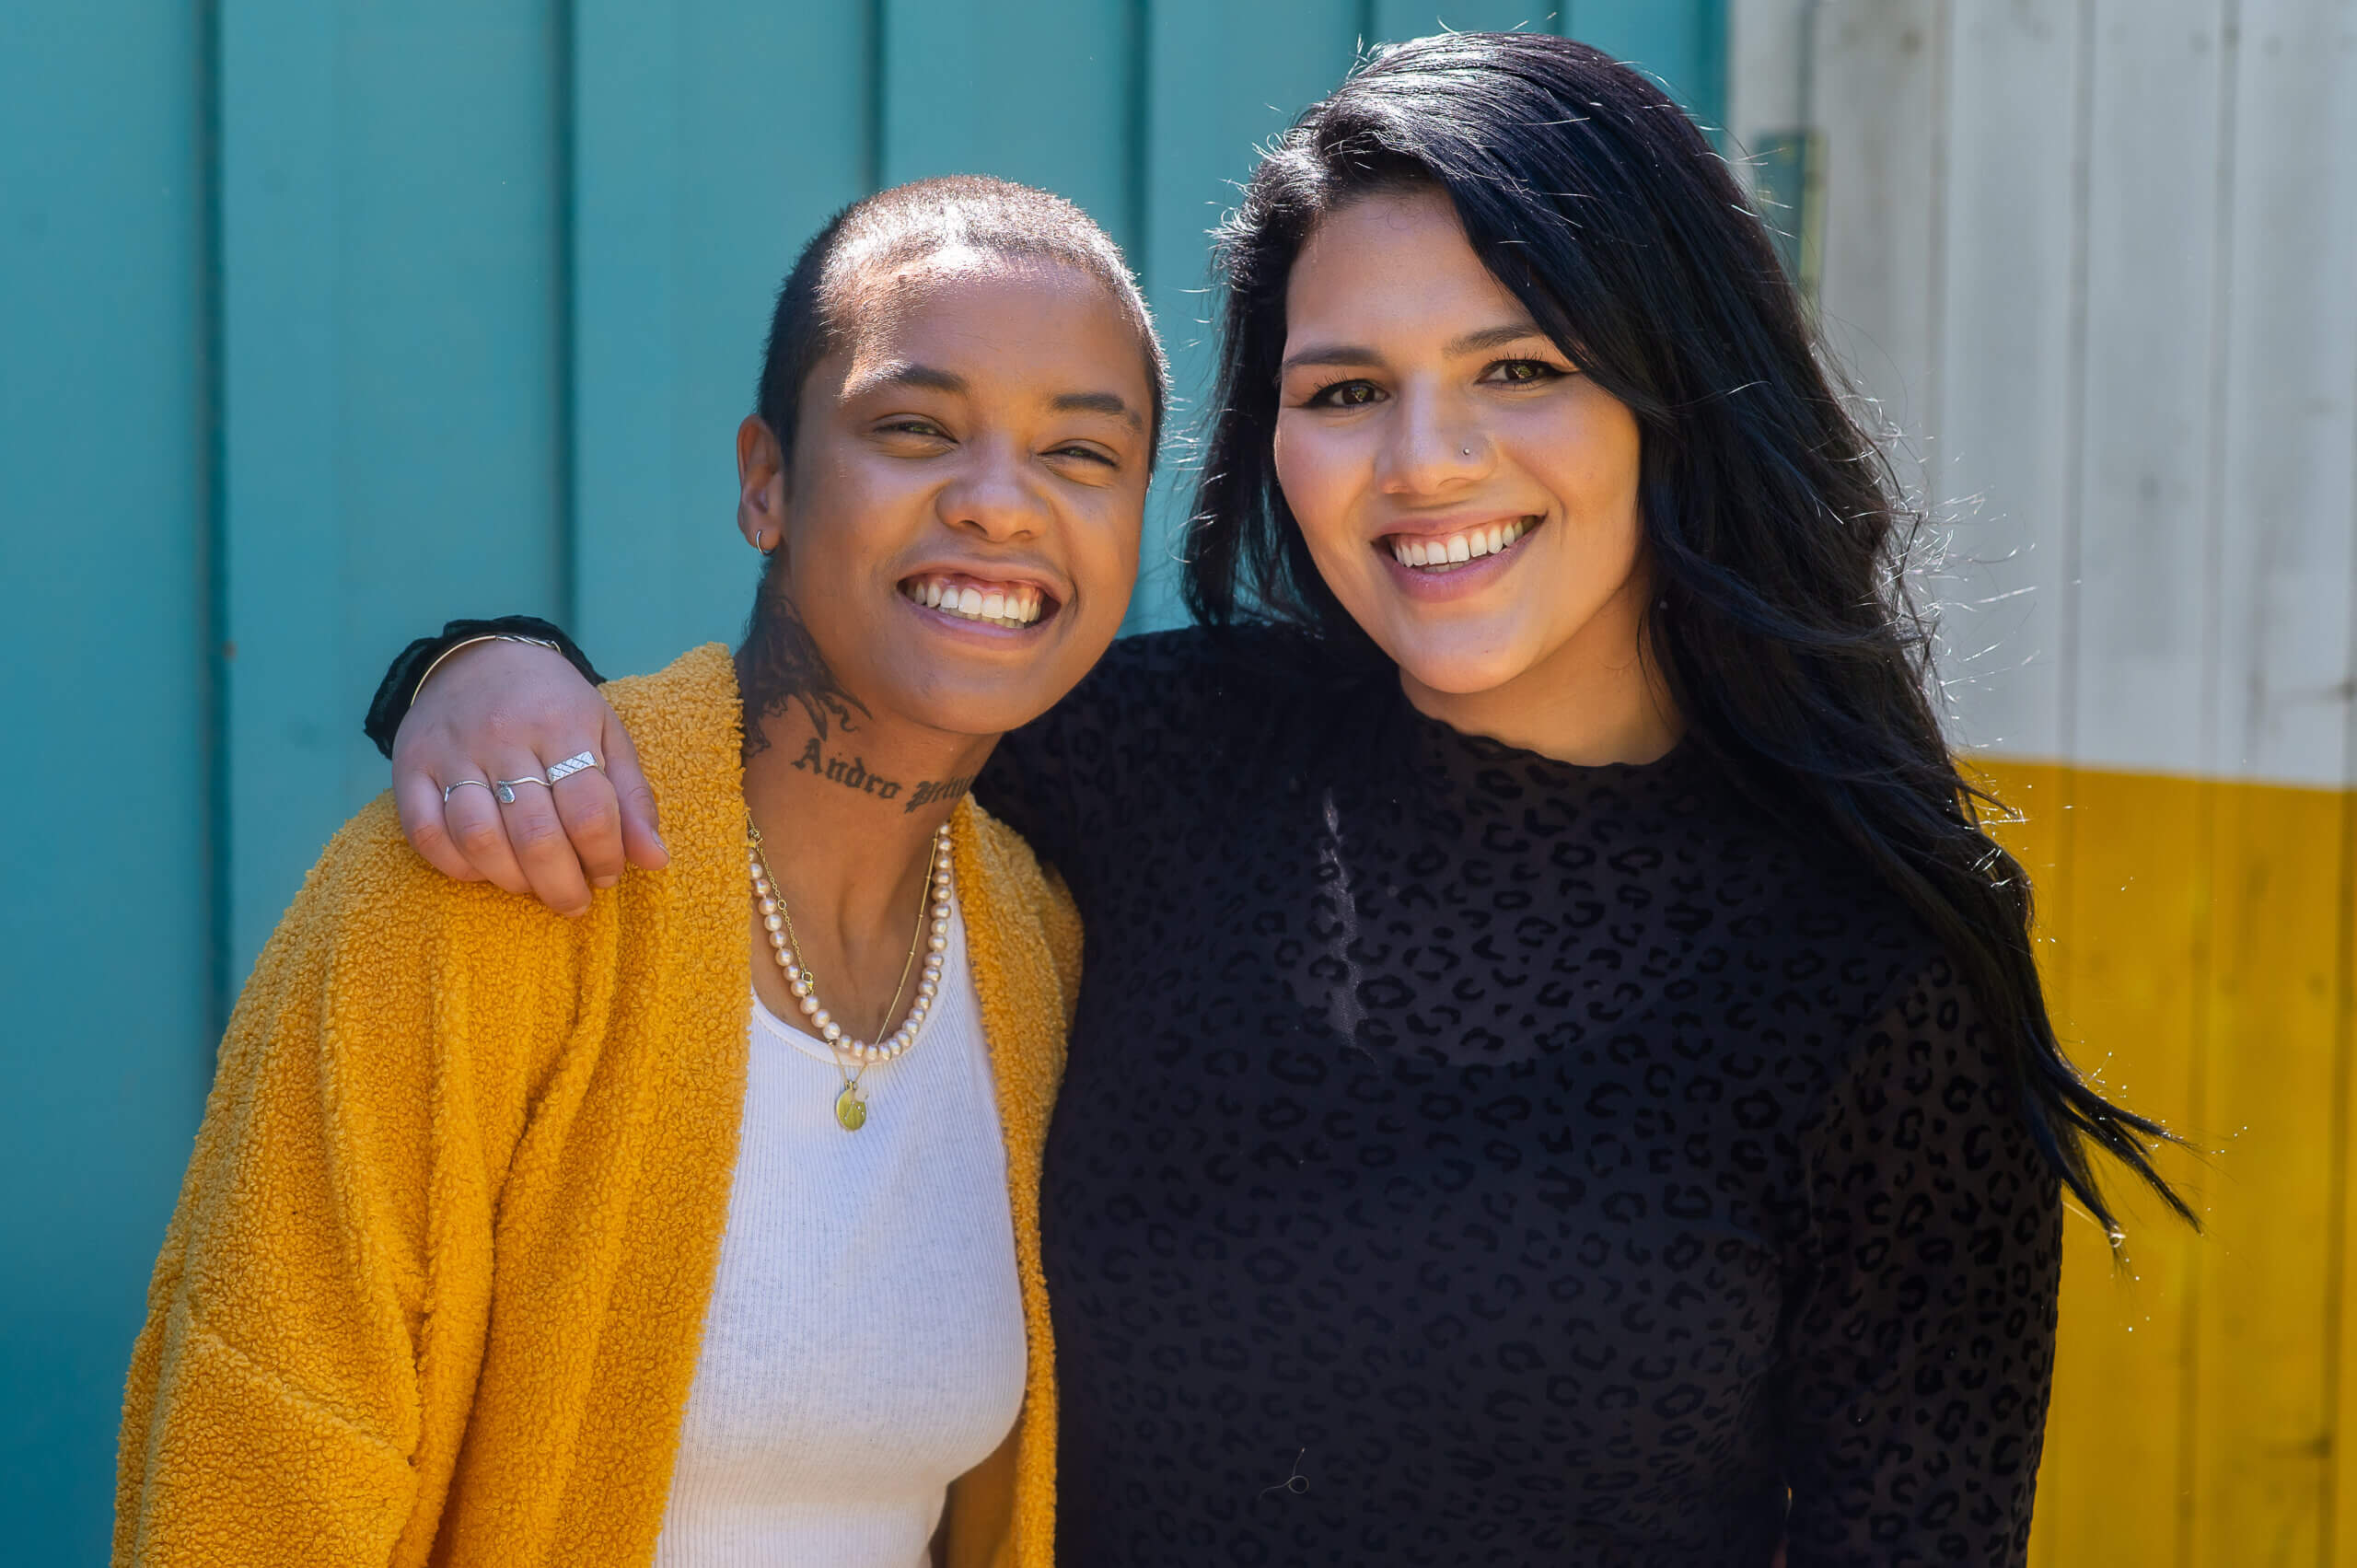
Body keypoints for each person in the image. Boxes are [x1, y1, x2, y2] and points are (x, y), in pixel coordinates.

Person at [366, 34, 2182, 1567]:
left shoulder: (1871, 976)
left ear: (1673, 398)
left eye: (1518, 369)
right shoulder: (1151, 759)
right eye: (1346, 390)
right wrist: (480, 670)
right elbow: (776, 755)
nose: (1423, 463)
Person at [115, 175, 1168, 1568]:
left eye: (1080, 454)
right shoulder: (488, 888)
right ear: (766, 481)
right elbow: (261, 1478)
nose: (997, 505)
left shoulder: (1041, 952)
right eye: (914, 429)